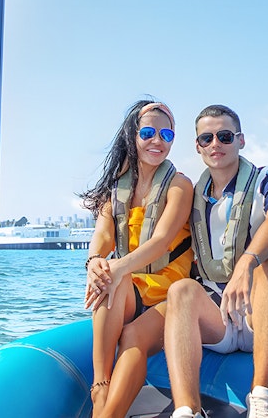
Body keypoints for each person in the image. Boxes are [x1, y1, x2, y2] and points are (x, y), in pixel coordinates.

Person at [164, 104, 268, 418]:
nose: (215, 145)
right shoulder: (193, 193)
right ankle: (188, 410)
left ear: (240, 140)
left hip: (258, 316)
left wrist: (247, 264)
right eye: (206, 139)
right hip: (216, 320)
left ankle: (262, 399)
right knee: (181, 291)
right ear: (197, 146)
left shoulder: (267, 179)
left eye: (224, 136)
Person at [80, 100, 194, 418]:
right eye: (148, 132)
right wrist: (95, 263)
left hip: (170, 293)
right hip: (130, 289)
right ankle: (100, 385)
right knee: (111, 279)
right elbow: (103, 237)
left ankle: (105, 413)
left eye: (166, 134)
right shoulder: (116, 189)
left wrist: (114, 267)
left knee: (127, 319)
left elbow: (160, 242)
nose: (157, 140)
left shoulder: (179, 186)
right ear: (132, 136)